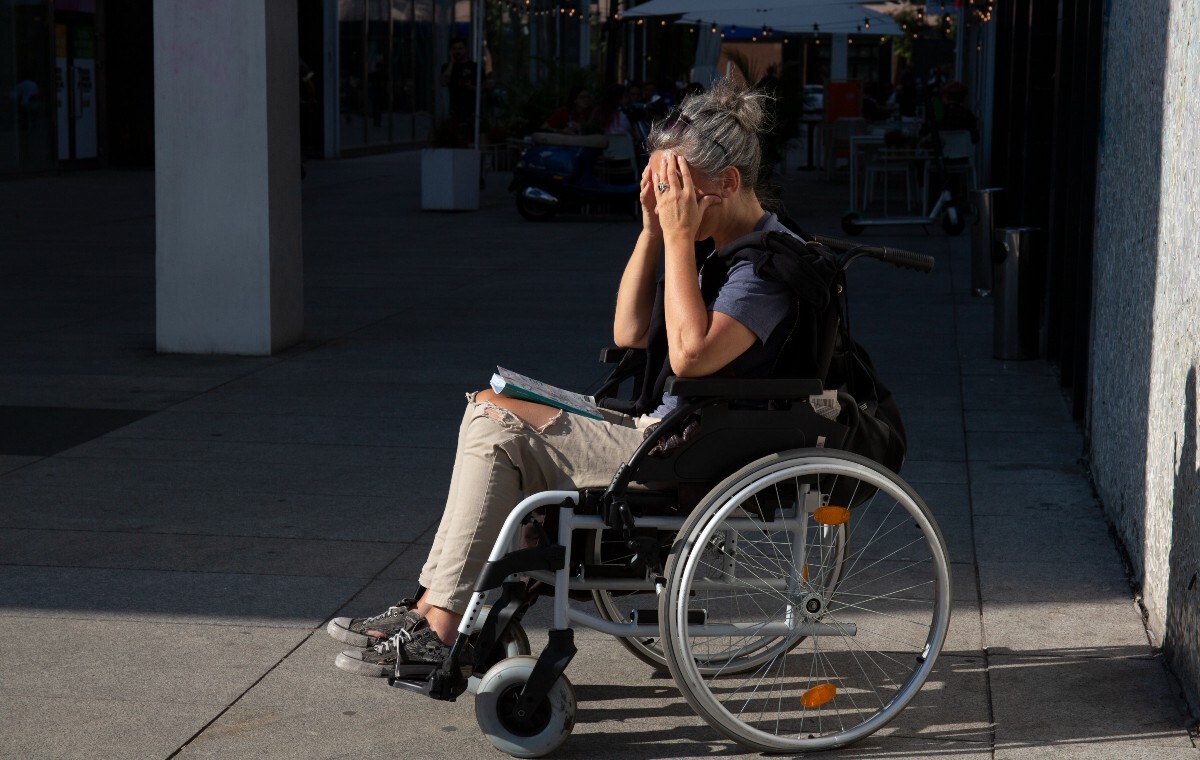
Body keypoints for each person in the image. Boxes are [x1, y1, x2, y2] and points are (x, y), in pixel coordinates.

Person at [327, 78, 801, 680]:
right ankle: (437, 610)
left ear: (728, 184)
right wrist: (654, 232)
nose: (670, 203)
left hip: (683, 453)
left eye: (680, 192)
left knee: (494, 419)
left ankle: (441, 621)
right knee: (492, 403)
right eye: (660, 189)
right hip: (666, 431)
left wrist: (679, 239)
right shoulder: (720, 247)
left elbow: (687, 358)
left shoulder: (764, 269)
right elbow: (630, 330)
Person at [440, 37, 478, 144]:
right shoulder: (447, 67)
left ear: (466, 49)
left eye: (460, 48)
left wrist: (471, 88)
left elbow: (483, 88)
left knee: (470, 138)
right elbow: (443, 82)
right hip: (454, 109)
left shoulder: (474, 67)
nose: (457, 52)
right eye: (455, 49)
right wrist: (451, 63)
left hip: (471, 110)